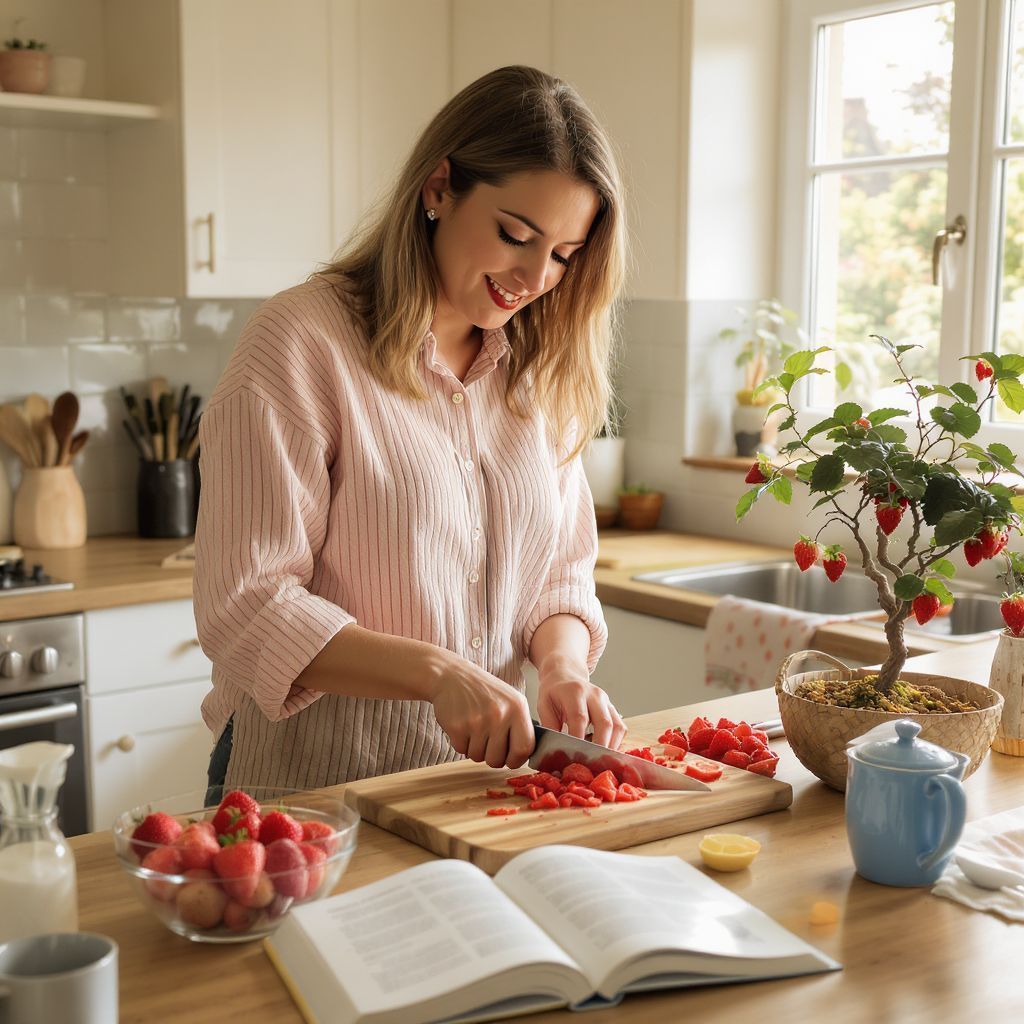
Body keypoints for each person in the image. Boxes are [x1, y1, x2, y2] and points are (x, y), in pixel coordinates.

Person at [195, 65, 629, 800]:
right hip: (308, 795)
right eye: (515, 234)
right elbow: (248, 601)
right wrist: (438, 673)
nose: (533, 276)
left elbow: (559, 573)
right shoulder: (302, 341)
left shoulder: (542, 370)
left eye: (562, 255)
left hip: (475, 792)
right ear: (438, 188)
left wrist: (562, 667)